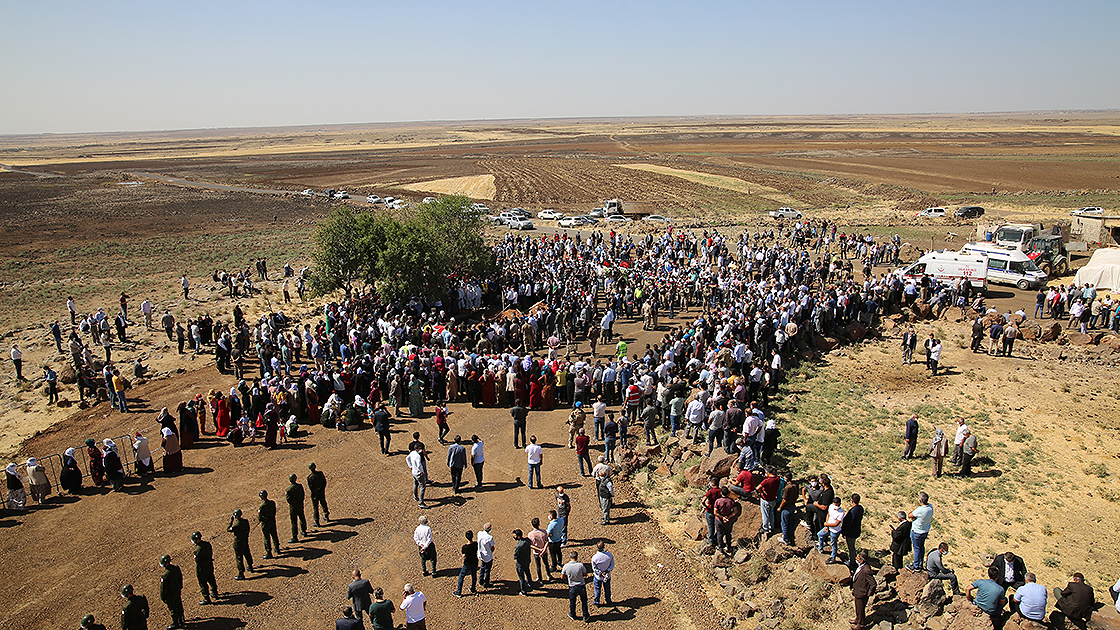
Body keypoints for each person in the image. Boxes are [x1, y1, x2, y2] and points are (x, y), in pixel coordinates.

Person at [562, 550, 592, 622]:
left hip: (572, 586)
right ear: (577, 557)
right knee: (584, 601)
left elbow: (562, 577)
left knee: (572, 602)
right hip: (581, 585)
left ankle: (573, 614)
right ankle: (585, 615)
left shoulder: (566, 566)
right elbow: (585, 574)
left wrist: (568, 577)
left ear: (570, 557)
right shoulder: (580, 565)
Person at [191, 531, 219, 605]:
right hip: (209, 565)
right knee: (211, 579)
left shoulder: (197, 550)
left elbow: (197, 561)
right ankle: (215, 593)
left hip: (202, 568)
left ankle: (206, 598)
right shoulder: (207, 544)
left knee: (203, 583)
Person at [159, 554, 185, 630]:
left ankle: (176, 623)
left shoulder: (165, 575)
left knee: (173, 609)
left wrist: (163, 597)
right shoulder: (176, 568)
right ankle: (181, 620)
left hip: (170, 594)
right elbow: (180, 578)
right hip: (177, 590)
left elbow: (163, 588)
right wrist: (180, 587)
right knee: (179, 605)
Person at [850, 550, 875, 629]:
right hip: (858, 591)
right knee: (858, 608)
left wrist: (869, 593)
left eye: (857, 558)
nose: (856, 559)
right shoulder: (862, 567)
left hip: (862, 593)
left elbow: (873, 584)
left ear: (861, 560)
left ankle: (861, 625)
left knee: (860, 609)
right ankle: (858, 619)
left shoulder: (866, 570)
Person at [909, 492, 933, 572]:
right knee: (921, 547)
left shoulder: (920, 510)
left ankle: (916, 565)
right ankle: (920, 563)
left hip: (917, 531)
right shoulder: (930, 507)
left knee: (916, 548)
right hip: (925, 530)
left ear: (920, 500)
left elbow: (910, 515)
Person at [817, 496, 845, 564]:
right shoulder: (831, 506)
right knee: (820, 534)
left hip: (835, 531)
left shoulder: (841, 513)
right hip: (829, 527)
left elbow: (836, 524)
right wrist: (827, 525)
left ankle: (833, 557)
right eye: (835, 504)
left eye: (837, 504)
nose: (836, 505)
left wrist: (827, 525)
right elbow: (828, 515)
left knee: (833, 544)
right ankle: (820, 548)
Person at [228, 508, 254, 580]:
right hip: (244, 540)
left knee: (239, 558)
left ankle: (241, 573)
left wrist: (231, 521)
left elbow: (228, 529)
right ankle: (250, 566)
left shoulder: (236, 525)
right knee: (247, 553)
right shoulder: (245, 521)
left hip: (238, 542)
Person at [842, 493, 864, 570]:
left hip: (851, 533)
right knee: (852, 546)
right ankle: (853, 559)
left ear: (852, 500)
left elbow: (849, 523)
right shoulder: (860, 508)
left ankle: (852, 562)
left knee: (851, 547)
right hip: (856, 530)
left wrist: (844, 532)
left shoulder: (853, 512)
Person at [528, 517, 553, 583]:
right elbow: (547, 541)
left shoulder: (530, 534)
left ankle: (540, 579)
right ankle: (549, 575)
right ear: (539, 524)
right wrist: (543, 549)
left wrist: (539, 549)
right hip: (544, 551)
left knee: (538, 565)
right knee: (546, 563)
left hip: (536, 552)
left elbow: (530, 545)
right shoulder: (544, 532)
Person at [454, 530, 479, 597]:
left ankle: (459, 591)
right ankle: (473, 589)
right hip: (474, 562)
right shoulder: (476, 544)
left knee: (461, 576)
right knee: (474, 575)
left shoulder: (465, 547)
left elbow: (464, 555)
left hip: (467, 564)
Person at [257, 490, 281, 559]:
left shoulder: (262, 506)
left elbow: (259, 518)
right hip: (272, 521)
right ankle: (277, 548)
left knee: (267, 538)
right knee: (274, 535)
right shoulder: (272, 503)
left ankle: (268, 552)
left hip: (265, 524)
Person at [591, 541, 615, 608]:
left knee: (597, 589)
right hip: (607, 576)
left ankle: (597, 601)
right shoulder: (609, 556)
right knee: (607, 588)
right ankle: (608, 600)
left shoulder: (594, 557)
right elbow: (612, 565)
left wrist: (600, 573)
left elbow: (594, 568)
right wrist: (606, 571)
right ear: (604, 547)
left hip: (598, 576)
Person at [778, 471, 799, 546]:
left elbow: (784, 500)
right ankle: (789, 536)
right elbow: (797, 496)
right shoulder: (795, 486)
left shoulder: (787, 488)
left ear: (786, 478)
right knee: (790, 523)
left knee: (784, 523)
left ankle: (785, 539)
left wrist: (780, 507)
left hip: (786, 508)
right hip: (793, 506)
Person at [285, 473, 308, 543]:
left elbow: (288, 500)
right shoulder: (300, 486)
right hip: (300, 505)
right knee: (302, 518)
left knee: (294, 522)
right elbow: (303, 495)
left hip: (293, 508)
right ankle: (304, 531)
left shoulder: (289, 489)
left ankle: (295, 536)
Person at [513, 529, 533, 595]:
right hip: (527, 561)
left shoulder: (518, 546)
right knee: (528, 573)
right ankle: (530, 584)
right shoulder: (527, 541)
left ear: (518, 537)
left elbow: (515, 556)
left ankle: (523, 591)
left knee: (521, 577)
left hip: (520, 564)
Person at [477, 523, 496, 588]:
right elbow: (492, 547)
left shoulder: (479, 533)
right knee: (488, 569)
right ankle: (486, 582)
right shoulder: (490, 537)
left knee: (482, 566)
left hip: (481, 554)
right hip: (488, 555)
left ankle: (481, 579)